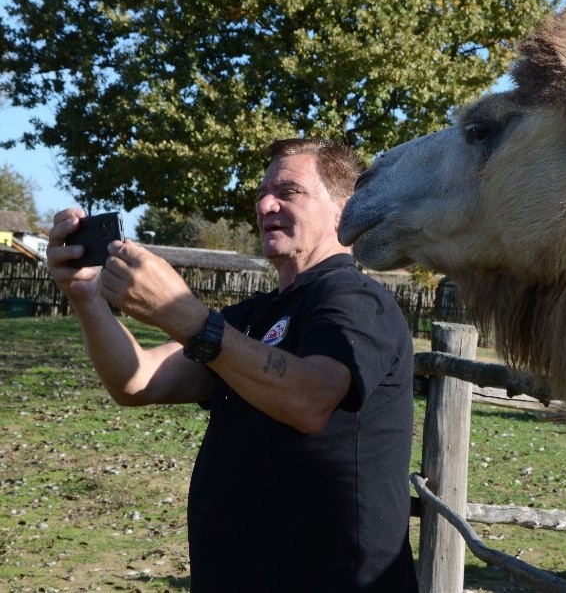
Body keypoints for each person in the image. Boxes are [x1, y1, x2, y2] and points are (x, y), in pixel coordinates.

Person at [46, 138, 418, 592]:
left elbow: (311, 399)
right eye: (262, 192)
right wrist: (86, 297)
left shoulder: (356, 300)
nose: (265, 204)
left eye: (288, 191)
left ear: (344, 208)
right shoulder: (253, 316)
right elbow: (137, 380)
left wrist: (192, 321)